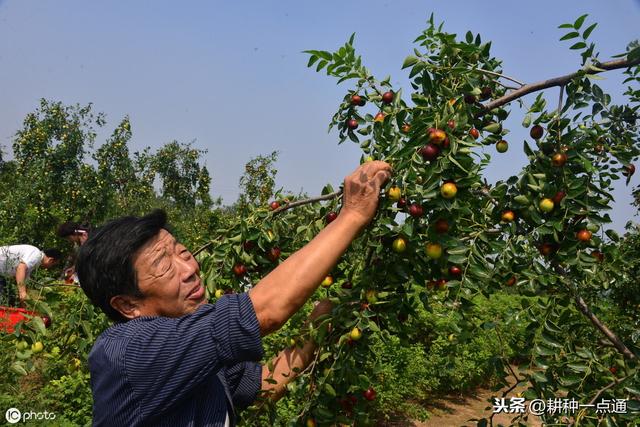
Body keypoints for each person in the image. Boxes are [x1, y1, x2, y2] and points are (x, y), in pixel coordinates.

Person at [76, 160, 391, 426]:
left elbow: (267, 384)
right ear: (128, 305)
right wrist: (352, 214)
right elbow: (265, 311)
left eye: (183, 253)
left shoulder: (193, 353)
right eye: (164, 266)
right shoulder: (130, 352)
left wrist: (313, 332)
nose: (189, 269)